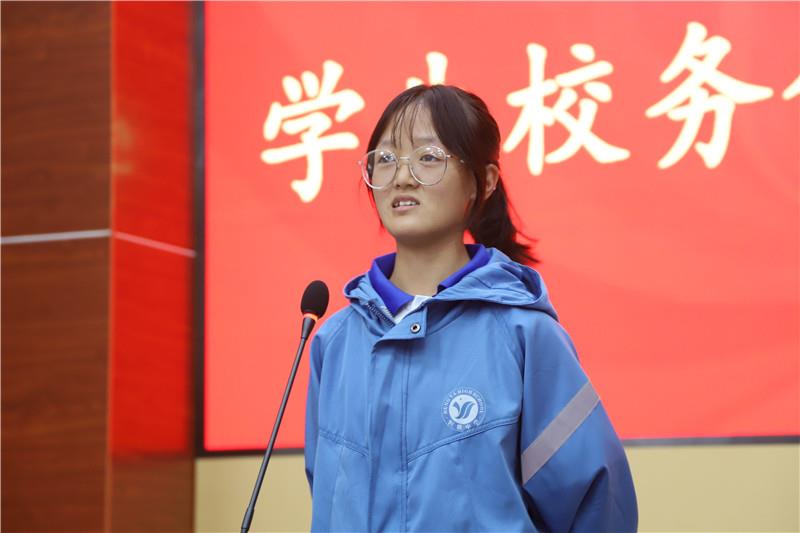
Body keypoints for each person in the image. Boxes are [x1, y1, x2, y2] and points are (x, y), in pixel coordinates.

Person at [304, 84, 638, 532]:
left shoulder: (525, 335)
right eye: (385, 159)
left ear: (484, 180)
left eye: (428, 157)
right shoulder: (335, 341)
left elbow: (595, 504)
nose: (401, 177)